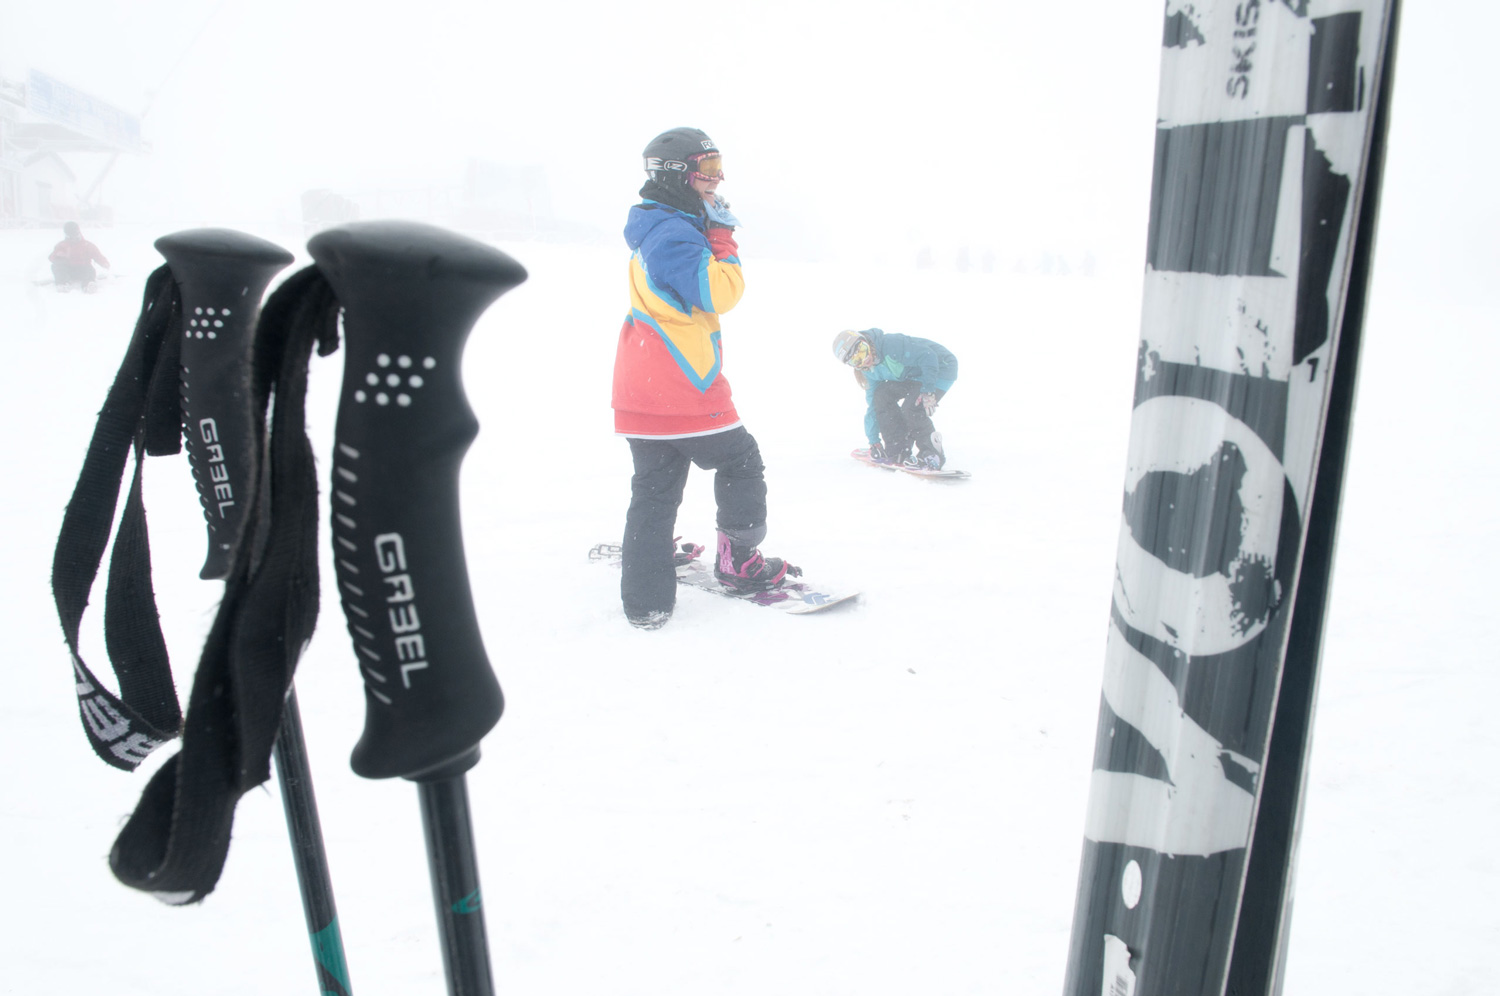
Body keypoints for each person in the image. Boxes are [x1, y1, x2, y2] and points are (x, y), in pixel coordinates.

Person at [611, 127, 800, 629]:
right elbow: (720, 293)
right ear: (678, 174)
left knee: (654, 491)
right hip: (681, 381)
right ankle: (739, 563)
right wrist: (722, 238)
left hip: (642, 384)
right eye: (708, 169)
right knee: (741, 459)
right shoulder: (674, 234)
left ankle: (646, 603)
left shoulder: (656, 227)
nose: (717, 180)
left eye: (718, 167)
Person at [832, 328, 958, 469]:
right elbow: (873, 404)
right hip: (914, 375)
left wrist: (928, 391)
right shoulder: (869, 370)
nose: (864, 359)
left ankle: (932, 455)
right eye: (856, 359)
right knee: (881, 395)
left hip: (940, 368)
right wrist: (873, 441)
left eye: (862, 350)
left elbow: (928, 356)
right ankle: (898, 449)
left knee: (912, 407)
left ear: (866, 341)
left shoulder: (891, 345)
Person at [48, 221, 111, 291]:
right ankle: (62, 283)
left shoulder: (87, 245)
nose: (73, 239)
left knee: (90, 269)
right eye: (70, 237)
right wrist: (57, 255)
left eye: (75, 236)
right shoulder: (61, 245)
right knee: (57, 266)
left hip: (83, 270)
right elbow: (51, 258)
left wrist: (104, 263)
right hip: (68, 271)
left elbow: (97, 256)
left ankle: (89, 284)